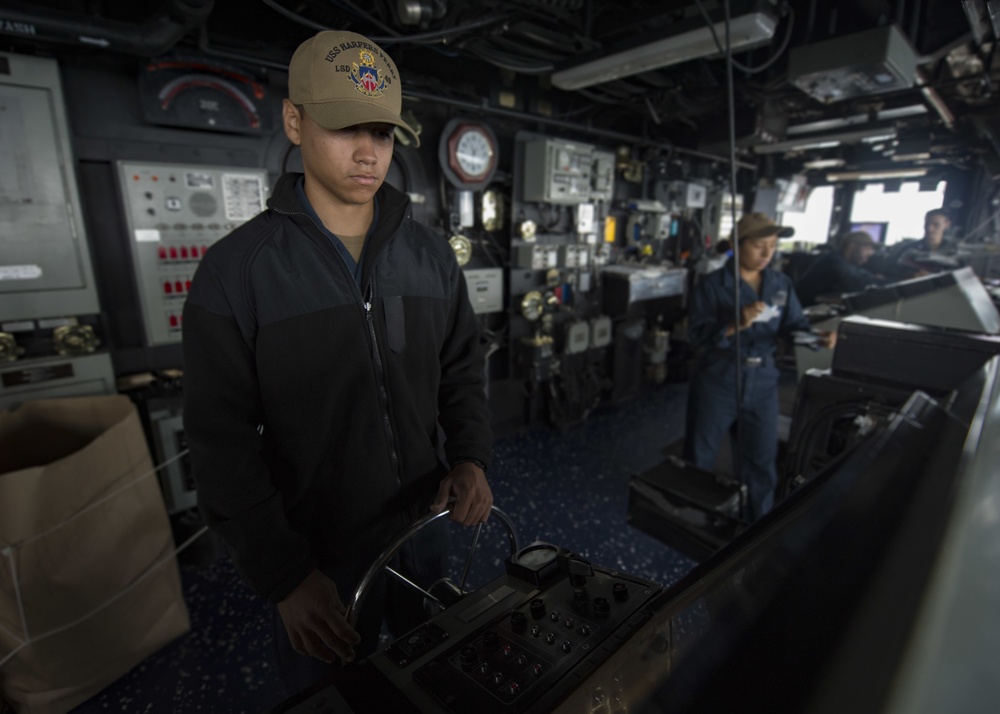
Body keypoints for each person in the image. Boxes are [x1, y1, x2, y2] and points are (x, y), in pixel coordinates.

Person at [181, 29, 494, 695]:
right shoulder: (236, 274)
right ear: (294, 121)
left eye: (380, 134)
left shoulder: (431, 256)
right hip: (320, 555)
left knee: (437, 671)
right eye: (342, 127)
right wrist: (285, 576)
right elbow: (219, 443)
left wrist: (471, 456)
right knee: (329, 693)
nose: (366, 152)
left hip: (427, 522)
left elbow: (463, 365)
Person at [682, 213, 835, 522]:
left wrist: (815, 336)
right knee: (700, 456)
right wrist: (734, 324)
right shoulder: (713, 285)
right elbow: (696, 334)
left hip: (763, 378)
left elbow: (793, 325)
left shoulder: (780, 283)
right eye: (759, 246)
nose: (768, 254)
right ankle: (695, 521)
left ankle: (755, 526)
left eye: (773, 246)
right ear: (737, 246)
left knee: (761, 462)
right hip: (719, 376)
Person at [794, 230, 889, 306]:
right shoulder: (834, 261)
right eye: (867, 248)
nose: (870, 253)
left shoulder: (845, 262)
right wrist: (893, 283)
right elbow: (855, 283)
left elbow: (861, 274)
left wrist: (876, 278)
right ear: (852, 246)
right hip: (806, 308)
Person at [876, 208, 960, 279]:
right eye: (927, 224)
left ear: (947, 224)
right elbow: (888, 273)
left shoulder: (956, 251)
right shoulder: (908, 249)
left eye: (935, 224)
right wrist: (910, 276)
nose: (930, 229)